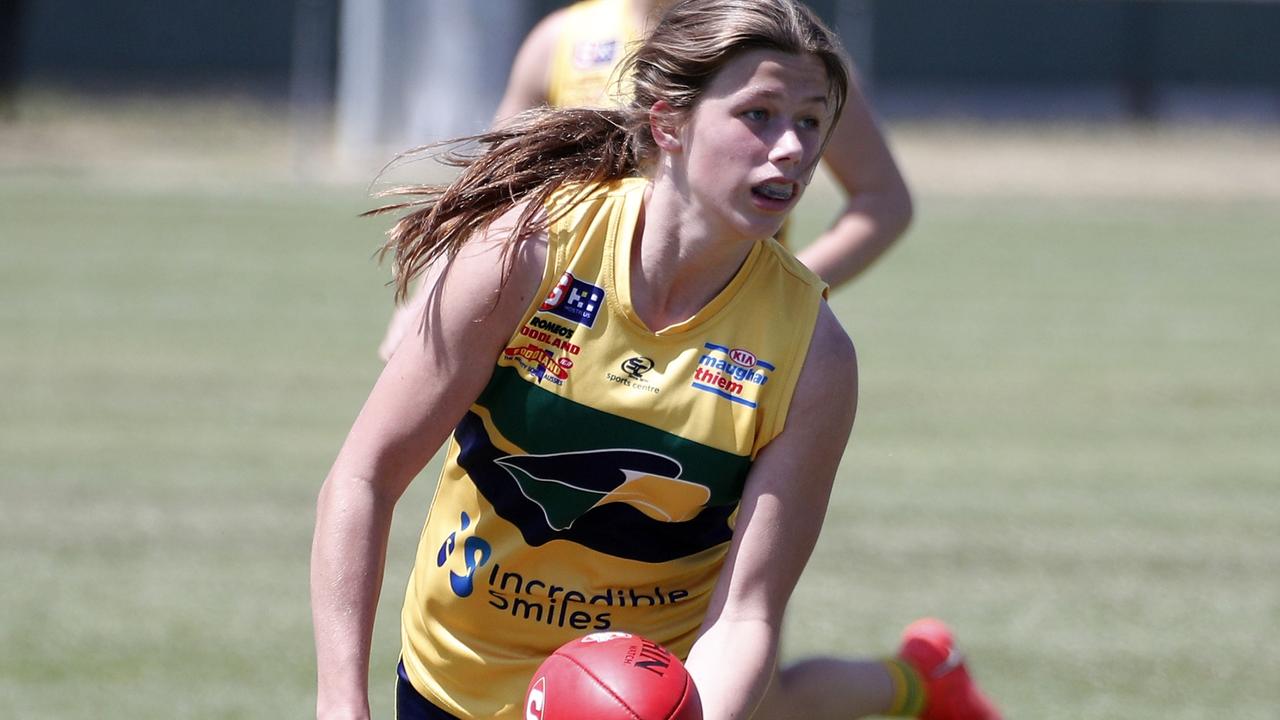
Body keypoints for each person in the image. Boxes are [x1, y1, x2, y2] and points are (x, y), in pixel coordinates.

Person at [311, 1, 1000, 719]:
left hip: (652, 697)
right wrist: (340, 704)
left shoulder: (815, 356)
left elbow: (746, 616)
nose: (793, 148)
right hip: (452, 683)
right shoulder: (529, 252)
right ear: (669, 123)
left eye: (809, 121)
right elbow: (362, 479)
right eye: (759, 115)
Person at [377, 0, 912, 361]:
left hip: (720, 352)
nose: (788, 142)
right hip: (564, 330)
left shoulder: (781, 47)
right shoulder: (562, 40)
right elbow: (490, 193)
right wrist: (425, 302)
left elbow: (882, 199)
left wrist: (771, 295)